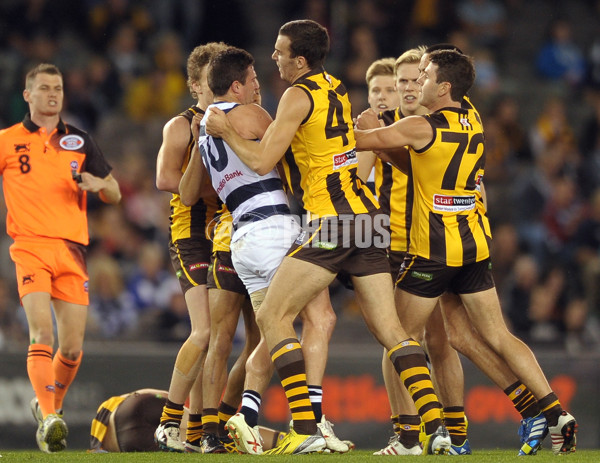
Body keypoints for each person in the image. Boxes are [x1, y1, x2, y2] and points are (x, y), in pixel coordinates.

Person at [204, 19, 450, 455]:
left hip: (331, 221)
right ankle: (438, 429)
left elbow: (262, 161)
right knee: (392, 331)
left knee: (273, 318)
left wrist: (225, 133)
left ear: (299, 60)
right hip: (369, 220)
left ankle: (305, 427)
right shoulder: (335, 86)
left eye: (279, 52)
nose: (274, 58)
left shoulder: (296, 95)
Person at [354, 49, 578, 456]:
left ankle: (418, 434)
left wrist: (366, 125)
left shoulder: (419, 125)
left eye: (420, 76)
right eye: (405, 80)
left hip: (429, 251)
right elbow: (425, 164)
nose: (413, 84)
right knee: (481, 335)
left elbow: (361, 143)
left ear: (443, 87)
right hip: (471, 245)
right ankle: (551, 411)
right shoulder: (470, 113)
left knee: (399, 338)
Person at [180, 46, 347, 455]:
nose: (259, 87)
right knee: (320, 318)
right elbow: (291, 152)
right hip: (274, 229)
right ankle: (310, 422)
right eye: (253, 80)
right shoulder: (249, 116)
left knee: (274, 331)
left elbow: (191, 192)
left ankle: (247, 416)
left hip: (242, 239)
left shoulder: (204, 130)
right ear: (236, 85)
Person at [0, 63, 121, 453]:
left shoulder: (80, 141)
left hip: (72, 250)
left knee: (70, 348)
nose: (53, 94)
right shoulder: (7, 140)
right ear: (27, 95)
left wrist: (100, 184)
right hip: (31, 246)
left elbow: (115, 192)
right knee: (42, 334)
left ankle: (47, 406)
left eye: (59, 88)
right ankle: (51, 418)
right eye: (45, 88)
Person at [154, 41, 228, 452]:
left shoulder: (229, 121)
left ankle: (196, 430)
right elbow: (166, 180)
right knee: (203, 331)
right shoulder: (180, 126)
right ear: (193, 85)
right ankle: (168, 422)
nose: (212, 91)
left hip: (224, 234)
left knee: (216, 336)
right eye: (206, 83)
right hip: (190, 235)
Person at [89, 388, 286, 452]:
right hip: (148, 405)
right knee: (220, 437)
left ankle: (286, 441)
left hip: (126, 412)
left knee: (213, 438)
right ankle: (284, 440)